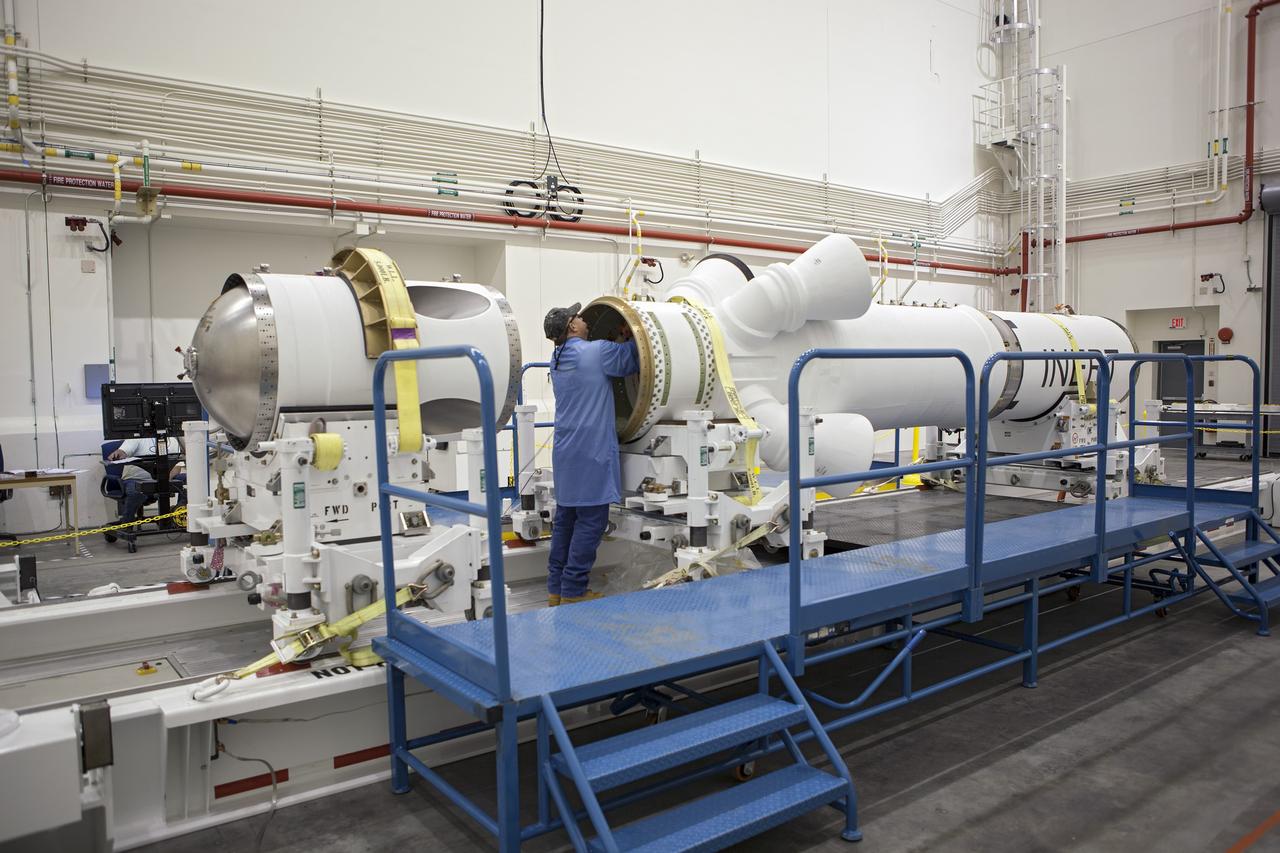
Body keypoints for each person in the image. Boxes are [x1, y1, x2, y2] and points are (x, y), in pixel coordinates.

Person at [542, 303, 639, 606]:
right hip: (592, 451)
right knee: (591, 522)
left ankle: (555, 588)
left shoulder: (555, 360)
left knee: (566, 520)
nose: (585, 321)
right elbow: (638, 358)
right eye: (580, 318)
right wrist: (629, 336)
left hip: (566, 451)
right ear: (572, 327)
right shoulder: (596, 352)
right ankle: (574, 590)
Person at [106, 436, 184, 527]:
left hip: (163, 480)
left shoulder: (172, 440)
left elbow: (177, 466)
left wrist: (164, 480)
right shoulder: (137, 438)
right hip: (135, 480)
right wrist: (119, 453)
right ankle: (127, 523)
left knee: (188, 481)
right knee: (135, 490)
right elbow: (124, 451)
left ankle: (178, 516)